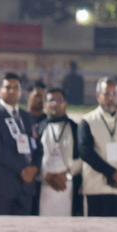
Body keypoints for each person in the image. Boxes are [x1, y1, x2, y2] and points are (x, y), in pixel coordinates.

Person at [78, 77, 117, 217]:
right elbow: (85, 152)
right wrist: (112, 173)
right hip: (96, 188)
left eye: (114, 94)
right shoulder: (87, 120)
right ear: (98, 96)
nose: (111, 98)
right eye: (106, 94)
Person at [0, 73, 41, 215]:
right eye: (8, 87)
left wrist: (35, 168)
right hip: (2, 187)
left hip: (26, 187)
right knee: (1, 227)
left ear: (21, 91)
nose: (12, 91)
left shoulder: (27, 117)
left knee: (23, 228)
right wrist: (22, 170)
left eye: (16, 87)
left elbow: (37, 146)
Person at [36, 87, 81, 217]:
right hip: (44, 183)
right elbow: (33, 157)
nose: (55, 103)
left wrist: (66, 175)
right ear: (45, 105)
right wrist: (47, 175)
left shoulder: (75, 128)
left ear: (65, 103)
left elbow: (82, 157)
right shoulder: (38, 128)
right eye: (51, 100)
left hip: (67, 184)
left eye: (59, 100)